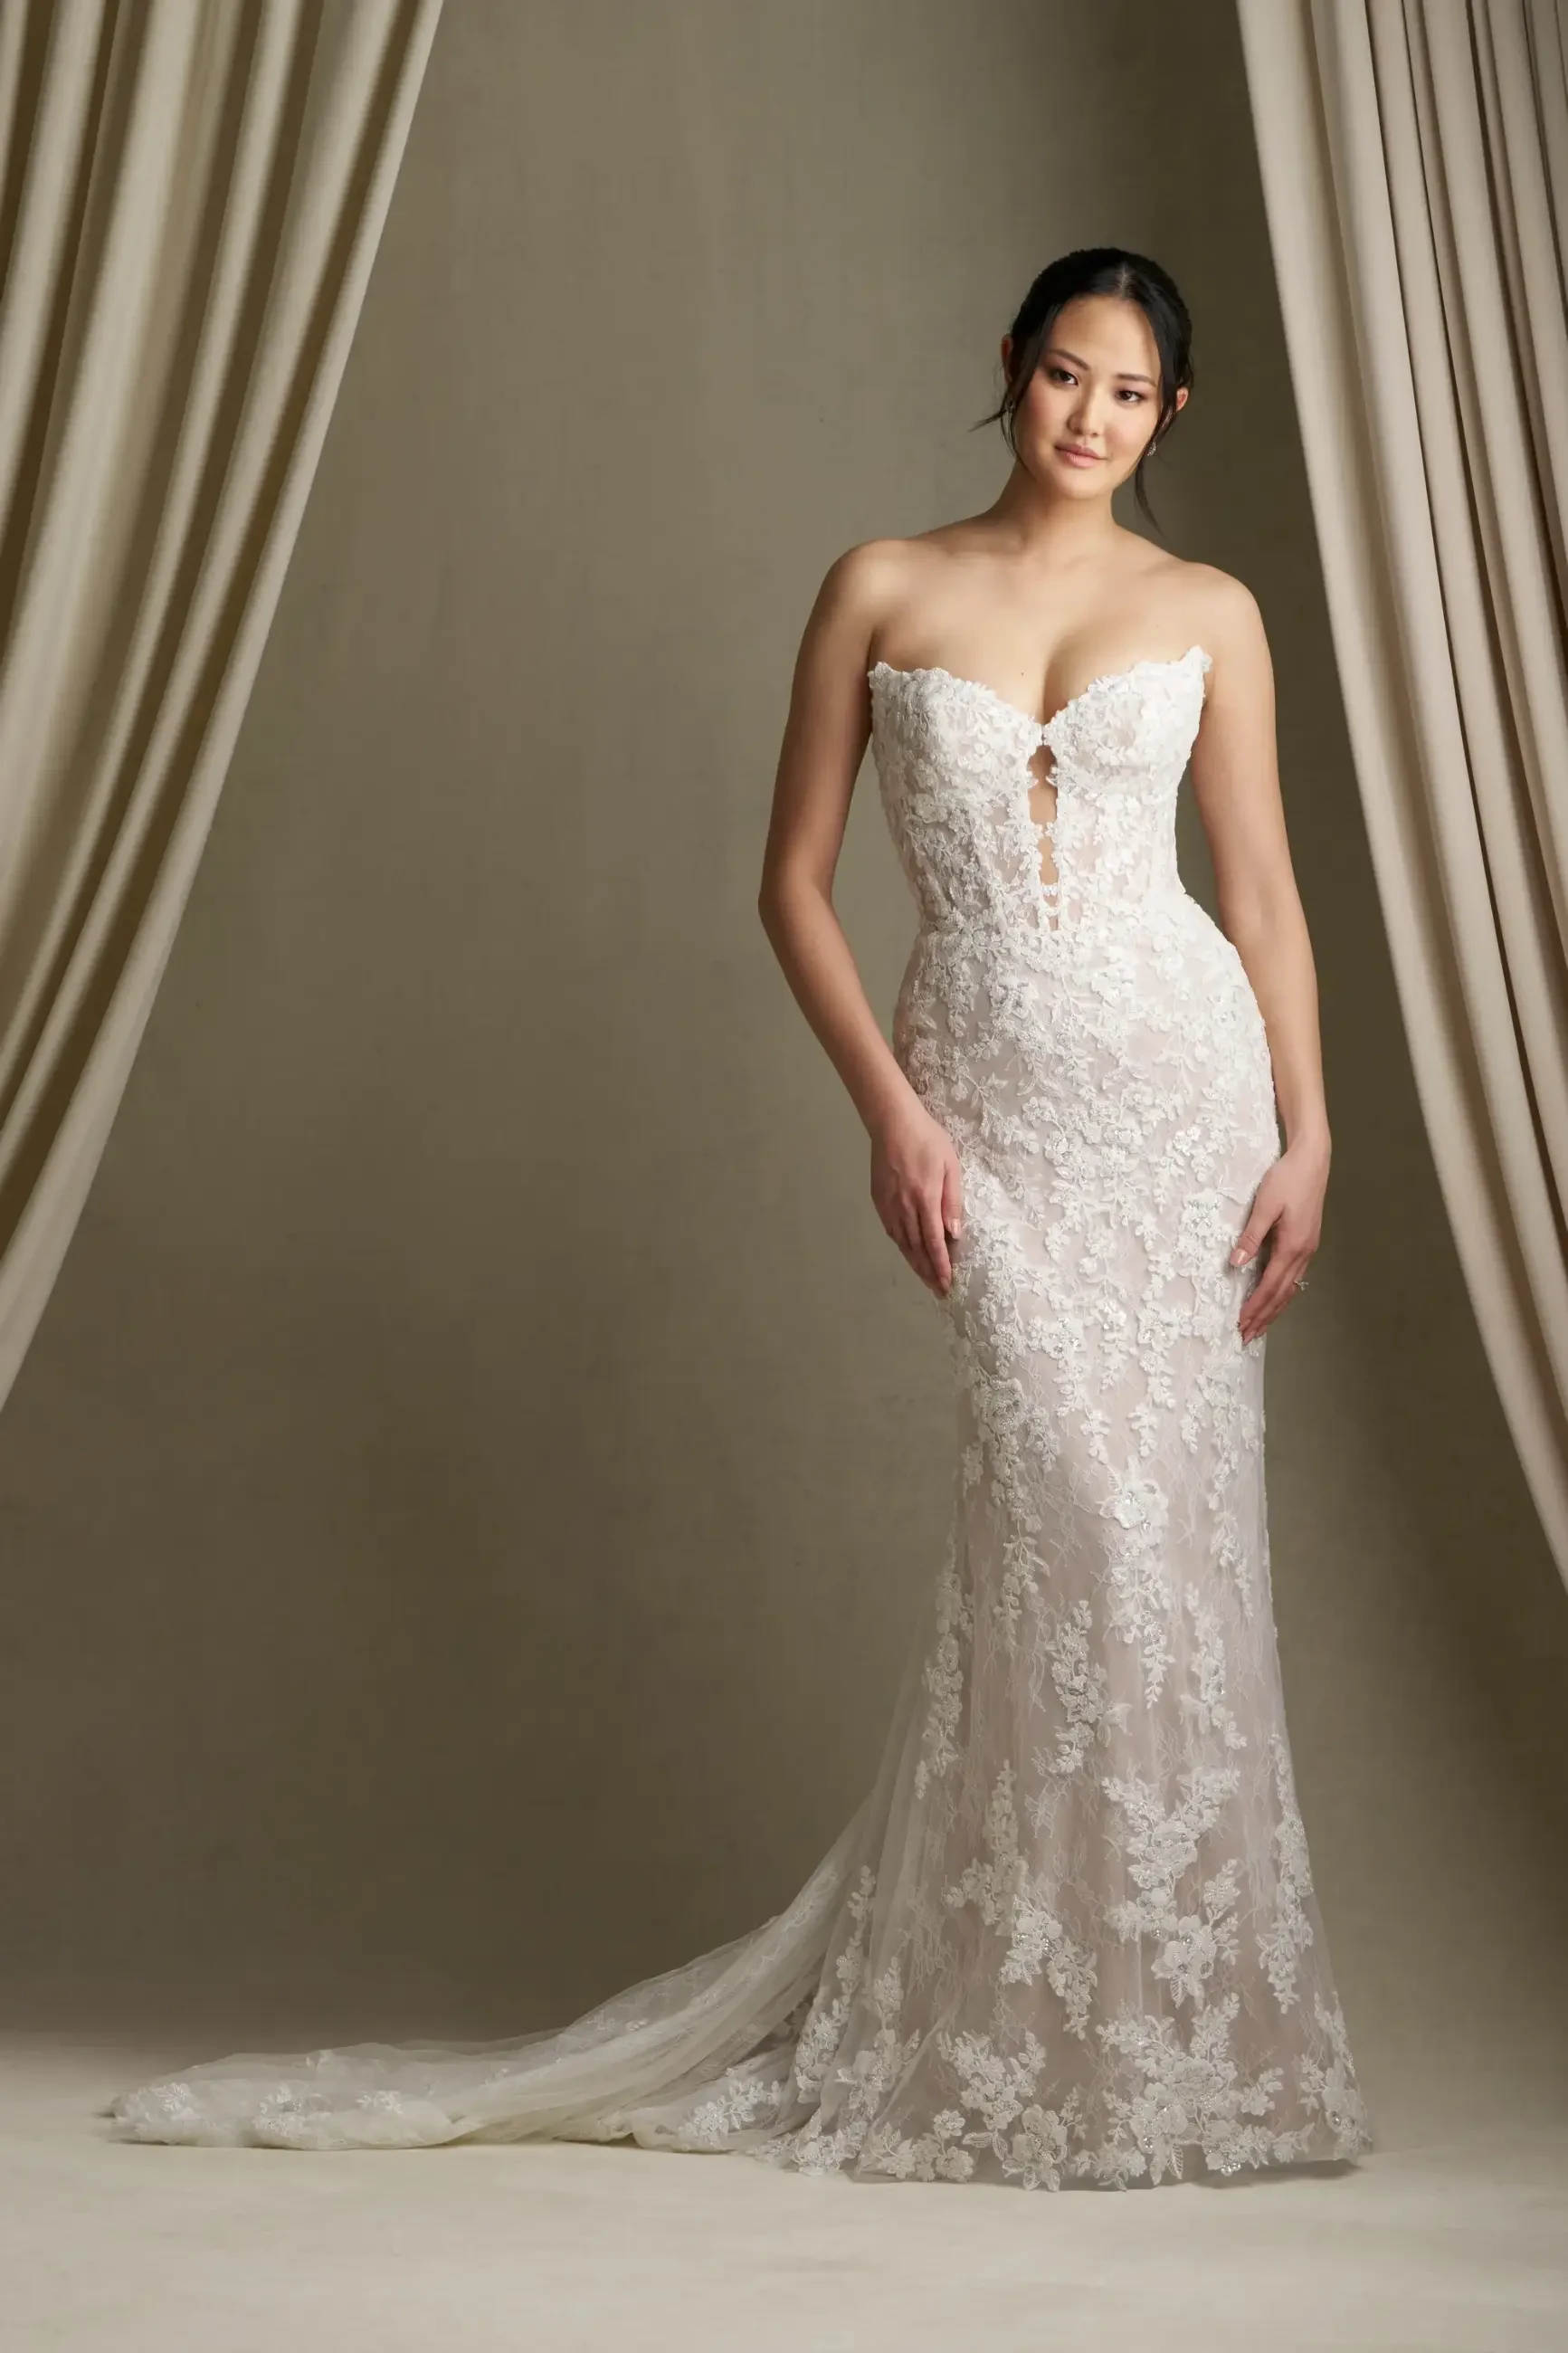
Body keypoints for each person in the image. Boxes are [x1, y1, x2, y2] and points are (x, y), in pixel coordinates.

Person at [105, 247, 1373, 2189]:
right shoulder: (881, 583)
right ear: (1008, 371)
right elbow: (789, 883)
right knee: (1062, 1528)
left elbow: (1264, 895)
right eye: (1058, 374)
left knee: (1168, 1546)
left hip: (1180, 1103)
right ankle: (998, 2025)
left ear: (1166, 416)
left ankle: (1164, 2041)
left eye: (1124, 392)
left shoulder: (1208, 608)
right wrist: (891, 1110)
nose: (1085, 416)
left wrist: (1306, 1128)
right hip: (998, 1110)